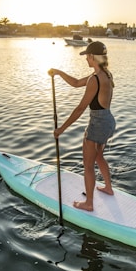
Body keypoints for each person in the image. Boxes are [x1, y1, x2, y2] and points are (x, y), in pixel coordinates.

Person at [48, 41, 116, 212]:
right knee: (99, 156)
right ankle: (108, 187)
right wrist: (57, 72)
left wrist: (61, 129)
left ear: (92, 57)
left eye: (87, 55)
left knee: (88, 164)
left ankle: (89, 203)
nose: (86, 58)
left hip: (98, 125)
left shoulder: (95, 79)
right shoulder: (106, 74)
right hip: (108, 121)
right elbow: (77, 82)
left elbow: (80, 109)